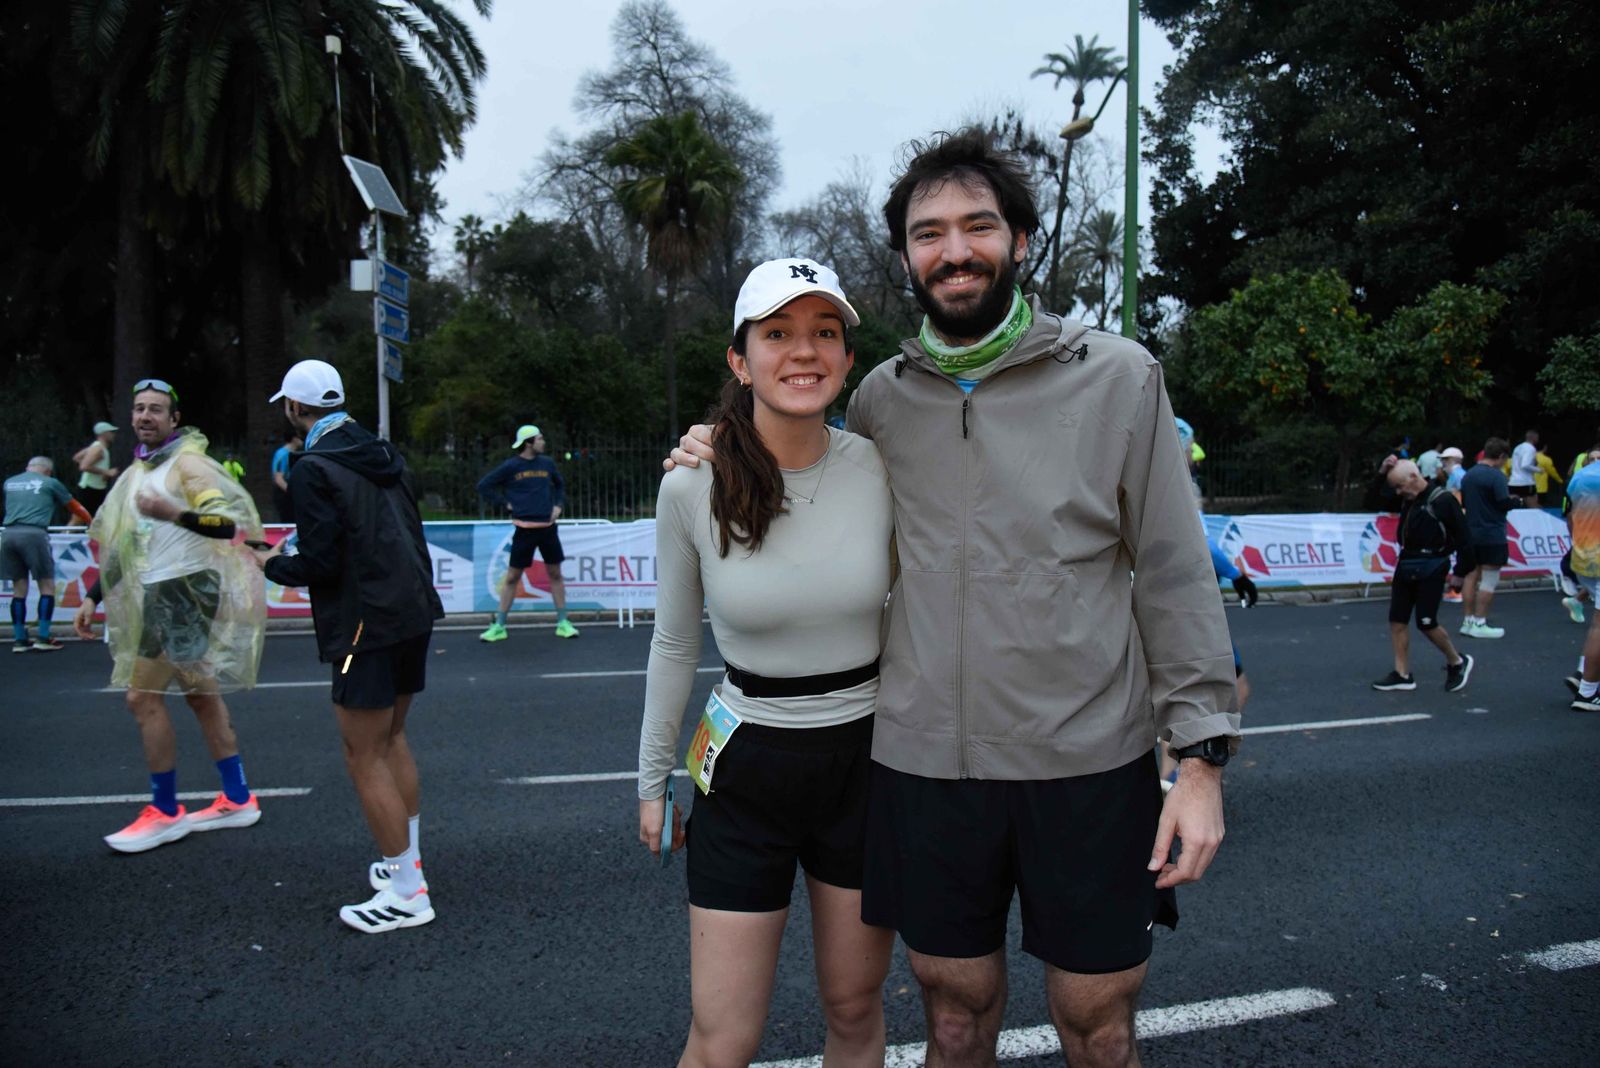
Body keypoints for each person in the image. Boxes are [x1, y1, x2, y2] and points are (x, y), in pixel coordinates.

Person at [671, 129, 1238, 1066]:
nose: (954, 250)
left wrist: (1203, 765)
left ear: (1021, 241)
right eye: (929, 233)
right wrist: (710, 445)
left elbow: (1176, 575)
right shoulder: (884, 400)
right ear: (905, 256)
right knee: (951, 1017)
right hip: (928, 768)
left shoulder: (1120, 376)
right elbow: (794, 449)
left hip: (1089, 763)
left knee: (1097, 1023)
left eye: (978, 226)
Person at [639, 258, 895, 1066]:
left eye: (825, 333)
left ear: (848, 360)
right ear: (741, 361)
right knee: (723, 1037)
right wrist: (652, 779)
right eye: (778, 333)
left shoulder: (881, 468)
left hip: (866, 761)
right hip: (744, 767)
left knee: (854, 1010)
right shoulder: (692, 483)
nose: (804, 351)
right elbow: (675, 639)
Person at [255, 359, 444, 934]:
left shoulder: (314, 466)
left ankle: (409, 892)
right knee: (393, 739)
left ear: (294, 408)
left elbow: (319, 561)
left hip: (365, 623)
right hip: (412, 609)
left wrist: (270, 563)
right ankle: (404, 867)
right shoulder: (382, 451)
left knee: (363, 755)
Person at [72, 379, 266, 853]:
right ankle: (238, 798)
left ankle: (165, 811)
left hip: (185, 590)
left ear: (175, 420)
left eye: (157, 410)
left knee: (142, 699)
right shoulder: (138, 469)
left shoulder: (188, 465)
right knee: (201, 697)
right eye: (139, 409)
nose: (145, 417)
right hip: (165, 589)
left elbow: (226, 525)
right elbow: (126, 544)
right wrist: (94, 595)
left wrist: (171, 511)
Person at [1370, 460, 1476, 692]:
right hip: (1407, 562)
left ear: (1413, 477)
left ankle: (1457, 661)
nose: (1398, 492)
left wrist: (1460, 573)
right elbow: (1373, 500)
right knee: (1397, 620)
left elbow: (1465, 539)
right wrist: (1382, 472)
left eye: (1400, 486)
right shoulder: (1409, 499)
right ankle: (1402, 674)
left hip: (1433, 564)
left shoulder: (1444, 500)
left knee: (1426, 622)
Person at [475, 425, 577, 641]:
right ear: (529, 442)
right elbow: (484, 486)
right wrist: (506, 504)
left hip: (548, 530)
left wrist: (558, 505)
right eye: (540, 438)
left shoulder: (547, 464)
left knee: (556, 574)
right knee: (512, 577)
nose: (543, 442)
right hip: (524, 531)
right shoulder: (511, 466)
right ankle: (499, 626)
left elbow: (560, 486)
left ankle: (563, 622)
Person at [4, 456, 92, 652]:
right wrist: (89, 520)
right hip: (34, 534)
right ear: (48, 471)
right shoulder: (50, 483)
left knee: (19, 589)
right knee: (47, 586)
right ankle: (43, 637)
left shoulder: (9, 483)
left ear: (28, 467)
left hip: (8, 535)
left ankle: (19, 640)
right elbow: (74, 507)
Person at [1459, 437, 1517, 639]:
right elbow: (1502, 502)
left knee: (1470, 575)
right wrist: (1515, 502)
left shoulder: (1468, 475)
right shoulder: (1497, 476)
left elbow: (1465, 501)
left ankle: (1467, 621)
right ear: (1501, 456)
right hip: (1492, 532)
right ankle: (1480, 621)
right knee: (1490, 578)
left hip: (1471, 532)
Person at [1566, 451, 1600, 711]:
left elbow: (1570, 516)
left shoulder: (1580, 476)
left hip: (1583, 558)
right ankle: (1587, 691)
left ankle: (1582, 675)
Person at [73, 421, 120, 515]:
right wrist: (106, 472)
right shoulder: (98, 449)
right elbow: (84, 466)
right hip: (90, 489)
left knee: (97, 518)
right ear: (104, 433)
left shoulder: (96, 447)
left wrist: (99, 470)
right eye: (111, 432)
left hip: (96, 488)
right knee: (78, 518)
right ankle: (66, 530)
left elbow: (77, 458)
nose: (114, 434)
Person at [270, 429, 303, 523]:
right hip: (284, 494)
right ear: (294, 439)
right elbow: (279, 479)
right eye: (300, 437)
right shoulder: (284, 454)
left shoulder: (289, 454)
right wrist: (294, 493)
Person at [1509, 429, 1539, 507]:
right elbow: (1525, 465)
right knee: (1533, 509)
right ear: (1534, 438)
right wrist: (1539, 470)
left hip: (1513, 482)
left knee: (1512, 509)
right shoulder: (1531, 448)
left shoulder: (1517, 447)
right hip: (1526, 482)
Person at [1533, 442, 1564, 510]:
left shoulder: (1529, 457)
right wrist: (1560, 480)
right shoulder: (1546, 459)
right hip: (1541, 488)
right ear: (1544, 448)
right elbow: (1553, 472)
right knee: (1540, 507)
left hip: (1529, 486)